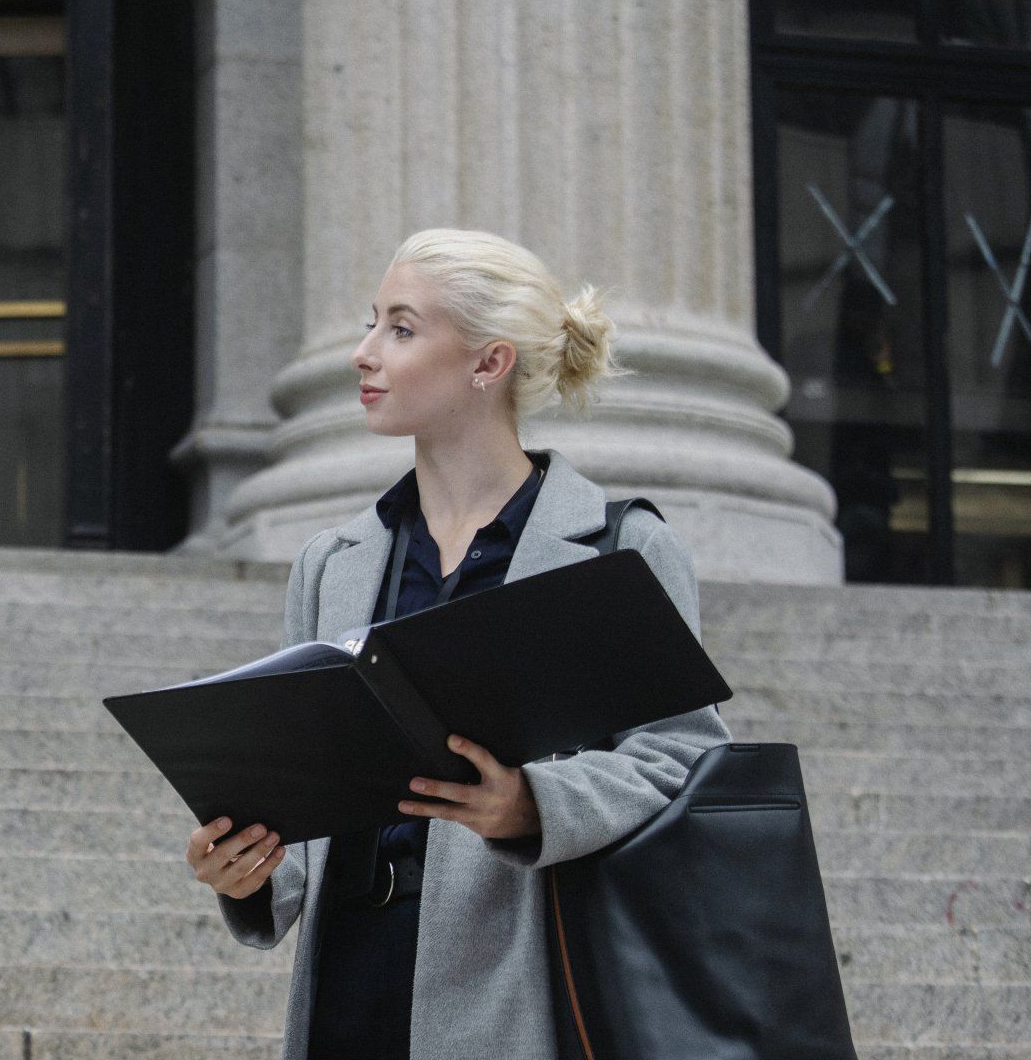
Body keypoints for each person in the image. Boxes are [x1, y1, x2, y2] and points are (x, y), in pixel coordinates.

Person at [184, 229, 730, 1060]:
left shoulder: (621, 550)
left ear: (489, 363)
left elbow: (682, 757)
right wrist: (251, 871)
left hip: (520, 987)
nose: (364, 353)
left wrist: (530, 807)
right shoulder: (332, 565)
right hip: (347, 980)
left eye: (401, 329)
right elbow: (304, 795)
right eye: (373, 324)